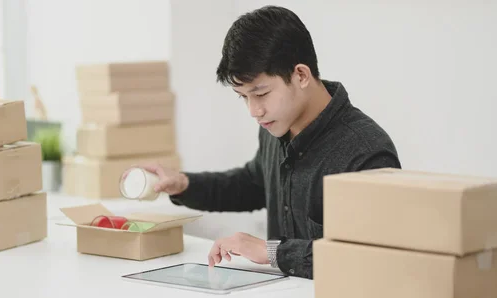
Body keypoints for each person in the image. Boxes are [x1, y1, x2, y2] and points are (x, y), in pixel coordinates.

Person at [140, 5, 401, 279]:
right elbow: (253, 184)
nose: (254, 111)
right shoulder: (275, 126)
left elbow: (372, 258)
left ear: (301, 75)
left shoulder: (367, 151)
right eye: (243, 97)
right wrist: (183, 184)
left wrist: (273, 252)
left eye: (261, 94)